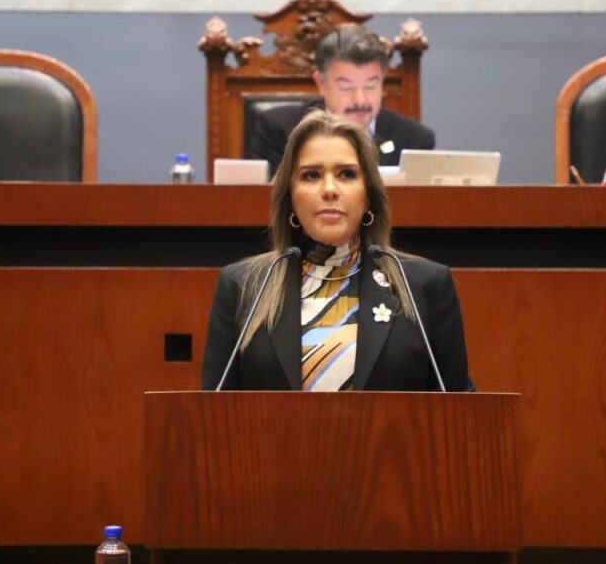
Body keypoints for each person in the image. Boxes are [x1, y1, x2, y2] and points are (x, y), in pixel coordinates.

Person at [202, 110, 471, 392]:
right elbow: (213, 411)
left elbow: (458, 410)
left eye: (346, 174)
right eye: (311, 175)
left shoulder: (424, 286)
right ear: (290, 195)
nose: (329, 189)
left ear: (368, 194)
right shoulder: (243, 286)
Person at [247, 23, 436, 174]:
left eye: (370, 85)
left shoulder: (414, 139)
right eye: (346, 87)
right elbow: (263, 203)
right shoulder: (282, 131)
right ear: (321, 83)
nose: (360, 100)